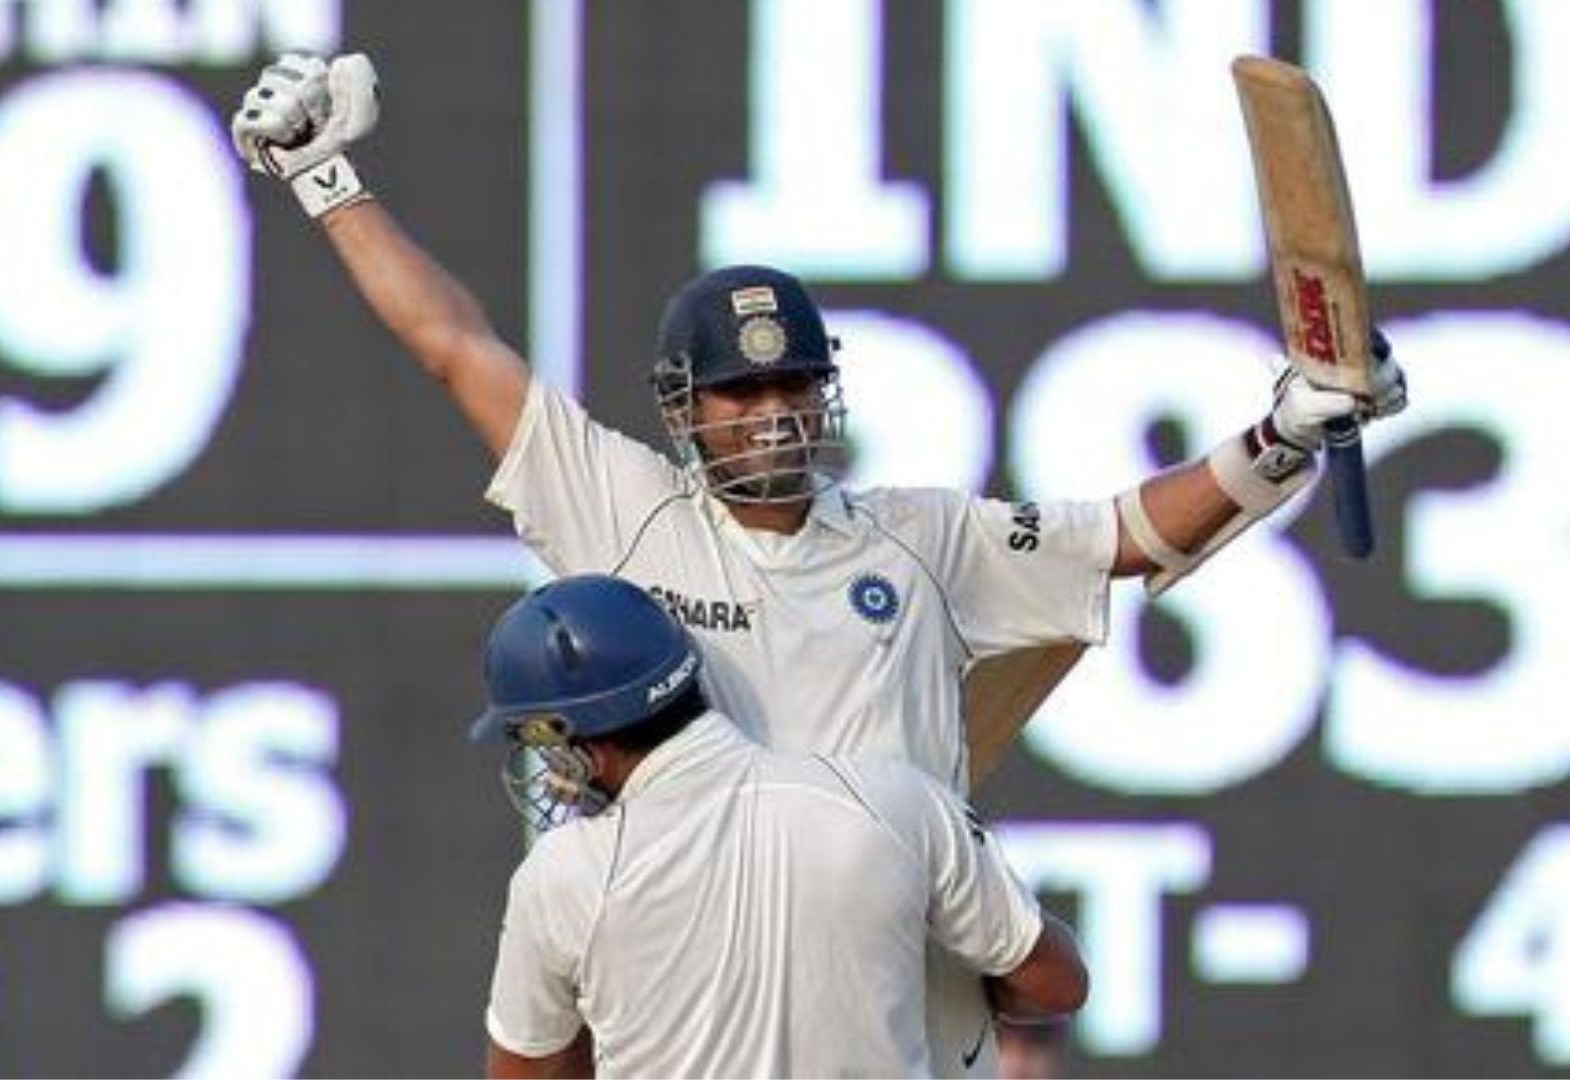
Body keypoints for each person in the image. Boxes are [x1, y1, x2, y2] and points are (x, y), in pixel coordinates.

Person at [228, 51, 1407, 1076]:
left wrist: (1280, 437)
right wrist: (326, 178)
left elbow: (1125, 537)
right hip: (691, 981)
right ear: (687, 411)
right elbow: (454, 349)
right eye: (743, 392)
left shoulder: (921, 537)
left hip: (891, 1003)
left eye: (793, 384)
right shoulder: (623, 508)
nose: (773, 414)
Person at [468, 573, 1088, 1078]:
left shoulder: (562, 875)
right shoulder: (893, 801)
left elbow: (527, 1073)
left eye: (540, 743)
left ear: (583, 745)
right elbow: (1056, 984)